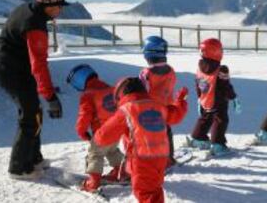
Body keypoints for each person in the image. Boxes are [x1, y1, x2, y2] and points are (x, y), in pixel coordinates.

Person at [0, 0, 67, 179]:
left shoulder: (29, 9)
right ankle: (19, 168)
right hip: (12, 72)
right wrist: (50, 96)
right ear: (49, 6)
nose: (61, 9)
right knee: (30, 117)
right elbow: (39, 65)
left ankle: (33, 158)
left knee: (34, 112)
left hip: (12, 68)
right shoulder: (35, 26)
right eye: (59, 6)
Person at [94, 77, 188, 203]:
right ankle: (127, 174)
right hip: (161, 158)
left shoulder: (126, 110)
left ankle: (128, 175)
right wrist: (180, 101)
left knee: (146, 192)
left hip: (142, 160)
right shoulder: (158, 106)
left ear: (120, 95)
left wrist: (97, 137)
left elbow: (104, 136)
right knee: (154, 187)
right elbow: (176, 115)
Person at [66, 64, 127, 192]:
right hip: (116, 131)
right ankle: (121, 172)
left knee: (95, 154)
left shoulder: (88, 95)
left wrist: (81, 131)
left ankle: (93, 182)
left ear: (79, 81)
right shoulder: (112, 89)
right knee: (112, 150)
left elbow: (84, 115)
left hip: (102, 133)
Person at [188, 38, 240, 156]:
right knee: (220, 120)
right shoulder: (222, 69)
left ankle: (198, 138)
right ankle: (218, 144)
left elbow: (198, 83)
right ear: (215, 51)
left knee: (206, 118)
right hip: (219, 100)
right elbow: (226, 86)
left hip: (205, 98)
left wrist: (199, 98)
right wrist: (233, 97)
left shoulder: (199, 66)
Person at [139, 36, 177, 167]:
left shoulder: (146, 73)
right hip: (166, 108)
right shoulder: (171, 70)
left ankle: (153, 159)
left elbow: (142, 93)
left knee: (151, 136)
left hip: (150, 111)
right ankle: (169, 158)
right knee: (166, 133)